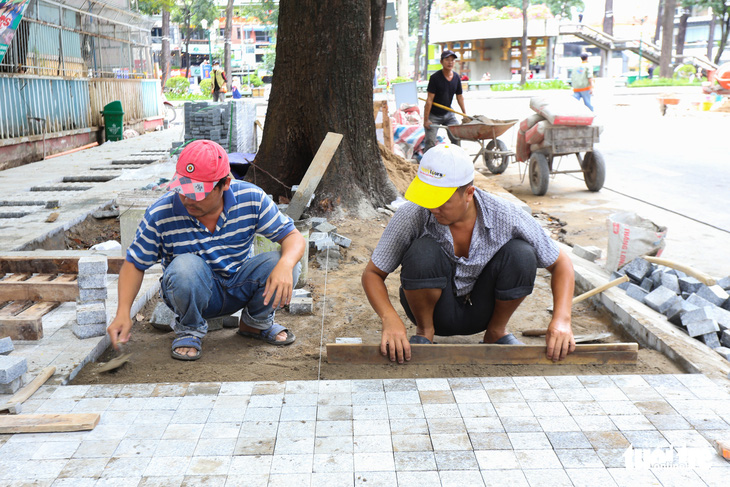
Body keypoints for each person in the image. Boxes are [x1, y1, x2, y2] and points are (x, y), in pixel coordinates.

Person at [361, 144, 576, 364]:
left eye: (442, 200)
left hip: (484, 311)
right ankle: (424, 334)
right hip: (434, 312)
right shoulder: (413, 214)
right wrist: (390, 319)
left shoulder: (505, 215)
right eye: (428, 197)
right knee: (422, 252)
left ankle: (496, 332)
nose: (433, 208)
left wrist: (562, 320)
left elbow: (561, 264)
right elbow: (372, 274)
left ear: (469, 194)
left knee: (521, 253)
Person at [107, 140, 306, 361]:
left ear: (225, 184)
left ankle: (255, 324)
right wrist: (123, 313)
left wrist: (285, 266)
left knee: (287, 263)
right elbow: (134, 264)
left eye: (197, 192)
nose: (187, 199)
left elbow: (292, 237)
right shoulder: (160, 213)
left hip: (238, 287)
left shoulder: (251, 198)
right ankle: (189, 329)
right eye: (183, 190)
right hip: (192, 292)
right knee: (185, 267)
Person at [423, 50, 468, 153]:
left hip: (448, 112)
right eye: (447, 60)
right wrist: (426, 120)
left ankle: (457, 160)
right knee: (430, 141)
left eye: (452, 60)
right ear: (441, 62)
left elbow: (459, 97)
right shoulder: (435, 78)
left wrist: (464, 114)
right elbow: (429, 100)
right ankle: (427, 165)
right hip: (433, 114)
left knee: (456, 138)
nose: (450, 62)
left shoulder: (456, 77)